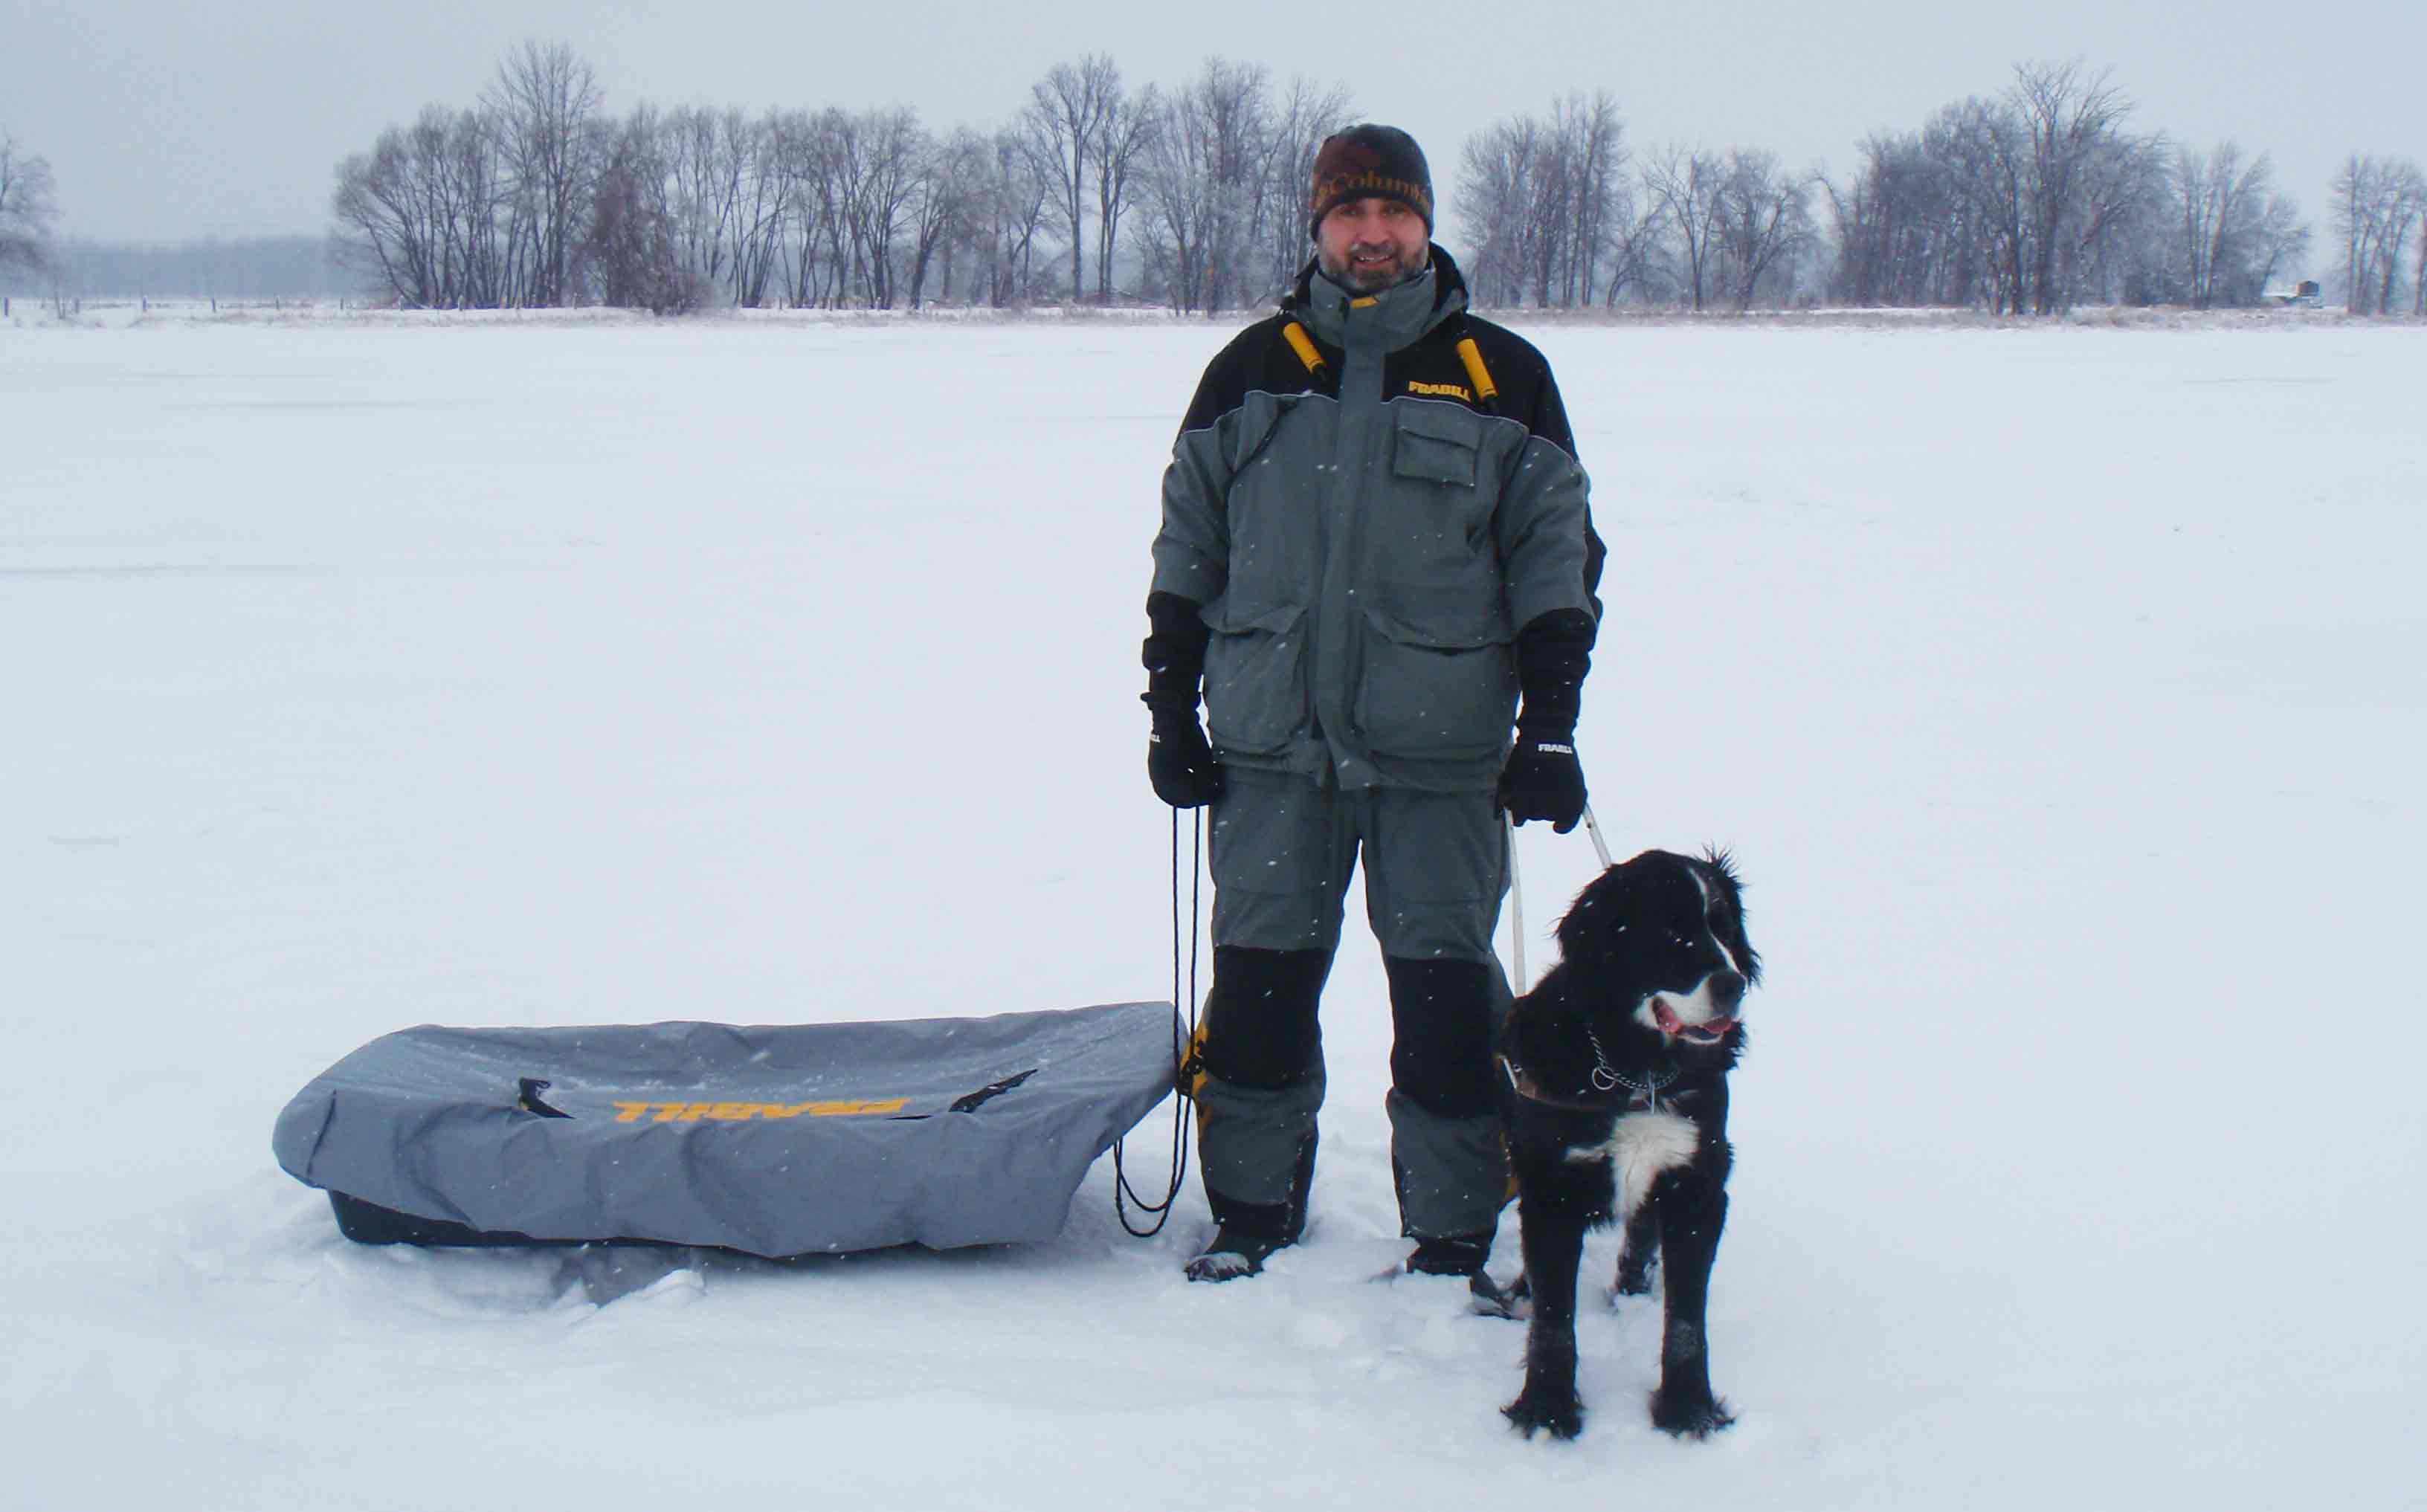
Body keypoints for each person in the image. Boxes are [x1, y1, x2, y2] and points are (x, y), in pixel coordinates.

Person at [1141, 123, 1605, 1284]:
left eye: (1395, 213)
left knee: (1450, 1010)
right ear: (1319, 226)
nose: (1374, 233)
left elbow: (1558, 559)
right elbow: (1187, 550)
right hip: (1271, 752)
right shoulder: (1250, 370)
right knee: (1258, 996)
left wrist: (1548, 725)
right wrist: (1170, 709)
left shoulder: (1504, 374)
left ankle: (1452, 1236)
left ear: (1427, 224)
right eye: (1351, 213)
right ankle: (1250, 1213)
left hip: (1440, 762)